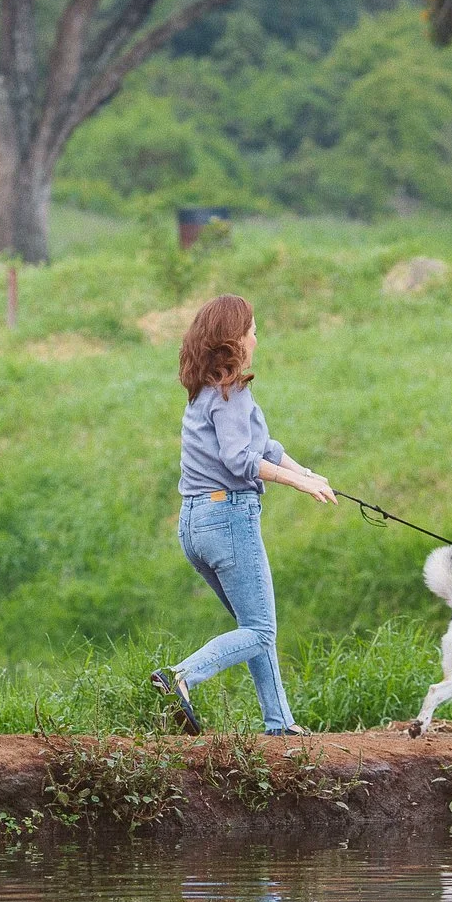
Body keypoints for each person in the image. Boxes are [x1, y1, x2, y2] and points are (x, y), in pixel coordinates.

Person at [150, 293, 334, 737]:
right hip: (228, 519)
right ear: (235, 339)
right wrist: (297, 484)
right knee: (260, 629)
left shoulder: (204, 393)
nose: (257, 336)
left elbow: (264, 447)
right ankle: (180, 677)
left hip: (194, 523)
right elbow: (239, 459)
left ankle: (280, 723)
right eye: (252, 329)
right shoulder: (231, 394)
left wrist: (307, 473)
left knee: (254, 625)